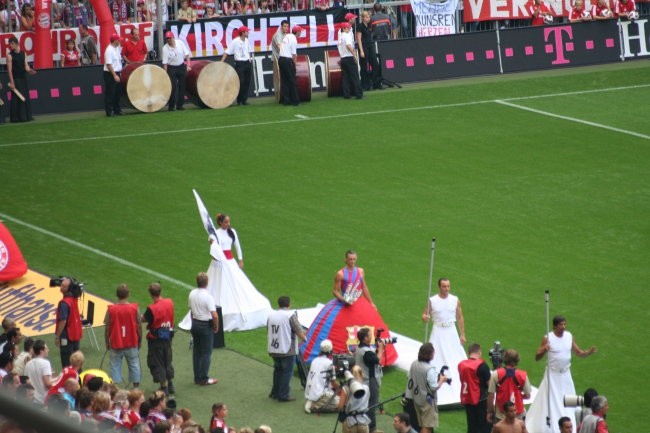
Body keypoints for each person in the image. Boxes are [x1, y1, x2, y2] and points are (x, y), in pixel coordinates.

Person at [302, 250, 397, 365]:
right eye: (350, 259)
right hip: (345, 304)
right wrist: (344, 300)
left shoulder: (361, 271)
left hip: (360, 303)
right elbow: (335, 291)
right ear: (345, 259)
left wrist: (371, 302)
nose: (352, 261)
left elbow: (364, 287)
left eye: (354, 259)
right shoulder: (340, 274)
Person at [525, 315, 597, 433]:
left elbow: (578, 352)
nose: (563, 327)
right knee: (552, 400)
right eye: (561, 325)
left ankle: (571, 423)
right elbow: (537, 357)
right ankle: (553, 425)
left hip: (565, 374)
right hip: (552, 375)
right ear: (554, 326)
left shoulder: (569, 336)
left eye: (564, 324)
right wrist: (544, 349)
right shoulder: (548, 338)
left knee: (569, 399)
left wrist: (588, 352)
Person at [204, 213, 271, 331]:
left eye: (229, 222)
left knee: (238, 282)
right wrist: (212, 240)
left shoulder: (232, 232)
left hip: (230, 262)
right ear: (220, 223)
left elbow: (237, 246)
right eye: (226, 222)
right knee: (219, 284)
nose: (228, 224)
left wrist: (240, 259)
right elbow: (213, 248)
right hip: (220, 263)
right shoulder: (215, 234)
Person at [421, 277, 467, 405]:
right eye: (444, 286)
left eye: (448, 286)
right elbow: (425, 314)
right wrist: (425, 317)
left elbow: (459, 317)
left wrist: (462, 334)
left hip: (451, 331)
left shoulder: (455, 300)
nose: (446, 289)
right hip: (438, 331)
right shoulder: (432, 300)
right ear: (439, 287)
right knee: (434, 356)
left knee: (455, 356)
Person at [267, 295, 306, 402]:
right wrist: (304, 338)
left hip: (274, 348)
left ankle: (274, 392)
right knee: (286, 372)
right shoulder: (290, 315)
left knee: (278, 370)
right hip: (287, 349)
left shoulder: (271, 315)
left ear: (279, 304)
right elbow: (298, 330)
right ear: (289, 304)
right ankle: (283, 395)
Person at [405, 342, 448, 433]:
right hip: (427, 401)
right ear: (430, 355)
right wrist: (442, 380)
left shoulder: (414, 363)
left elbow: (409, 376)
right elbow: (433, 387)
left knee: (422, 424)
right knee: (427, 426)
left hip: (416, 398)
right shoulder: (429, 369)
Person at [104, 283, 142, 388]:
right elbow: (139, 326)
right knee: (134, 365)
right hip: (131, 342)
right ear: (128, 294)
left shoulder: (111, 309)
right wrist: (140, 340)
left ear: (117, 295)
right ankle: (136, 389)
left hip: (116, 343)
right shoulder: (134, 308)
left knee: (115, 366)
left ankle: (115, 390)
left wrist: (107, 342)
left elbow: (107, 327)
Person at [142, 282, 176, 395]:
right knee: (168, 359)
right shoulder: (169, 302)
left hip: (156, 339)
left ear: (151, 294)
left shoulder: (152, 308)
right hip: (168, 336)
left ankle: (163, 387)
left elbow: (143, 319)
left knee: (157, 362)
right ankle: (170, 383)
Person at [189, 271, 219, 386]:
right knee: (206, 353)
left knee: (197, 352)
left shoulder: (192, 293)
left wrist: (194, 323)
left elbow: (191, 311)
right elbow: (215, 315)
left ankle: (197, 377)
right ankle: (204, 378)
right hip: (205, 326)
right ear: (207, 282)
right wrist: (216, 326)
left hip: (195, 323)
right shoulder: (208, 296)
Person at [487, 349, 531, 423]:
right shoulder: (523, 375)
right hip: (518, 415)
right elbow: (528, 395)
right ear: (517, 360)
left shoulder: (496, 374)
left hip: (501, 415)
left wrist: (489, 412)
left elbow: (491, 395)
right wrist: (519, 396)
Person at [355, 327, 385, 433]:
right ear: (365, 338)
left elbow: (372, 357)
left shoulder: (360, 348)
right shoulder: (366, 352)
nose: (371, 336)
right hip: (370, 380)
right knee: (372, 405)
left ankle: (363, 426)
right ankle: (372, 429)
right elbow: (377, 360)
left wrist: (377, 349)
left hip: (362, 379)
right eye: (369, 335)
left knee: (365, 404)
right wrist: (381, 349)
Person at [458, 343, 491, 433]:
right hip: (481, 400)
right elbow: (490, 385)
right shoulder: (482, 365)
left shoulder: (461, 365)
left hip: (467, 398)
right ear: (479, 352)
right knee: (484, 427)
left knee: (472, 426)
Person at [304, 339, 339, 413]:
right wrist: (341, 389)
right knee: (340, 403)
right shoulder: (329, 363)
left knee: (337, 397)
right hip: (320, 393)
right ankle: (315, 405)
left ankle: (311, 401)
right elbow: (333, 383)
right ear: (330, 351)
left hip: (310, 392)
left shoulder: (315, 360)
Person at [54, 278, 82, 369]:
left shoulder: (64, 303)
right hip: (75, 335)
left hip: (67, 336)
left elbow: (63, 321)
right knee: (77, 362)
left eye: (63, 286)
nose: (60, 287)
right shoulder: (74, 298)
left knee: (67, 363)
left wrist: (57, 336)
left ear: (68, 289)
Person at [221, 26, 253, 106]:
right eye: (247, 31)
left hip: (247, 62)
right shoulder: (235, 41)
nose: (248, 33)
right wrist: (221, 62)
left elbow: (248, 51)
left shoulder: (247, 41)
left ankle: (244, 100)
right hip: (240, 63)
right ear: (242, 33)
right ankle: (239, 100)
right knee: (240, 82)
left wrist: (249, 58)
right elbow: (227, 52)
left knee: (247, 82)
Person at [6, 36, 35, 123]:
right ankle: (16, 118)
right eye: (10, 44)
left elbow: (26, 66)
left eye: (12, 44)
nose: (11, 46)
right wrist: (12, 82)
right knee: (17, 98)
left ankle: (26, 117)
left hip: (23, 78)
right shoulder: (9, 56)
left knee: (25, 97)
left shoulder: (23, 53)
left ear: (17, 43)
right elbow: (9, 70)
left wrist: (30, 71)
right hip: (16, 79)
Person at [162, 31, 191, 111]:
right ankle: (171, 106)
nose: (168, 40)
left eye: (170, 38)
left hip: (181, 66)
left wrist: (188, 65)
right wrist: (165, 74)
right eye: (167, 39)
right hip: (172, 68)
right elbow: (165, 63)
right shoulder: (165, 48)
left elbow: (187, 54)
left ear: (173, 37)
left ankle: (180, 105)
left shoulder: (180, 43)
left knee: (182, 87)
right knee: (173, 87)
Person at [338, 365, 370, 433]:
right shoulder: (366, 388)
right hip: (363, 422)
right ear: (361, 374)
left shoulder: (346, 388)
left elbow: (340, 407)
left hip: (349, 423)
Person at [356, 10, 380, 92]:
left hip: (370, 46)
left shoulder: (370, 25)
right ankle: (365, 85)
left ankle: (374, 83)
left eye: (368, 17)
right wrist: (361, 51)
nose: (368, 18)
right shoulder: (360, 26)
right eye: (366, 17)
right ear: (362, 18)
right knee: (364, 67)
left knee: (375, 65)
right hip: (364, 47)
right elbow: (358, 39)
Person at [338, 22, 363, 100]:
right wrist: (354, 54)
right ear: (343, 28)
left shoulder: (340, 36)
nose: (349, 29)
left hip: (343, 58)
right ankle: (359, 94)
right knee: (355, 76)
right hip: (349, 57)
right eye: (347, 27)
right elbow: (348, 45)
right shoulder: (347, 35)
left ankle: (346, 94)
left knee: (345, 78)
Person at [278, 25, 301, 106]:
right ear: (298, 32)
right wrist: (294, 64)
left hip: (281, 59)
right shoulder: (294, 39)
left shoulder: (287, 35)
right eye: (300, 32)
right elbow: (294, 55)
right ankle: (295, 101)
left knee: (284, 81)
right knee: (292, 81)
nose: (300, 33)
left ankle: (286, 101)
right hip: (287, 60)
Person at [23, 340, 53, 405]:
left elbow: (26, 381)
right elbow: (47, 384)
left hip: (33, 399)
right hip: (44, 399)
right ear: (41, 351)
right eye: (46, 348)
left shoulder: (28, 364)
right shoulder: (45, 363)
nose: (48, 350)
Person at [103, 33, 123, 117]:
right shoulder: (109, 50)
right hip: (110, 73)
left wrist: (119, 72)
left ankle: (117, 109)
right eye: (118, 40)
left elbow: (118, 61)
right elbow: (109, 64)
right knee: (111, 93)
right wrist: (114, 75)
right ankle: (109, 110)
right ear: (115, 41)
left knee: (117, 92)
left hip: (116, 72)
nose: (119, 41)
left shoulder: (116, 48)